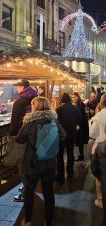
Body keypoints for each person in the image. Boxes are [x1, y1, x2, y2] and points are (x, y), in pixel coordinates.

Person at [16, 96, 65, 226]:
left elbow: (19, 139)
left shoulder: (30, 122)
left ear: (36, 107)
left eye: (32, 105)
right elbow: (63, 135)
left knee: (29, 192)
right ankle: (48, 221)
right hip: (49, 163)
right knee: (48, 192)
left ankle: (28, 220)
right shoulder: (54, 120)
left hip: (32, 164)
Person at [10, 79, 38, 202]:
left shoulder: (19, 102)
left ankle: (27, 191)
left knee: (22, 166)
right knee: (30, 162)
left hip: (22, 136)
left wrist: (13, 136)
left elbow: (14, 121)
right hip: (35, 136)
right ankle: (29, 187)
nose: (17, 89)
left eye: (18, 87)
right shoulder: (36, 100)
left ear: (22, 87)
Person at [55, 93, 81, 182]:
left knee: (60, 155)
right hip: (72, 134)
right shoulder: (75, 108)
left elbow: (55, 122)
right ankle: (70, 173)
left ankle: (60, 175)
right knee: (70, 153)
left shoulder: (58, 109)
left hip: (61, 135)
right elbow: (79, 120)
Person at [71, 92, 89, 161]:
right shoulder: (78, 104)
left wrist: (78, 124)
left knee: (80, 140)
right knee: (80, 140)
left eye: (75, 97)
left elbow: (81, 116)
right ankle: (81, 155)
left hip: (81, 125)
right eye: (72, 97)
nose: (73, 98)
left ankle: (81, 156)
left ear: (78, 97)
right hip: (81, 124)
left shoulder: (80, 104)